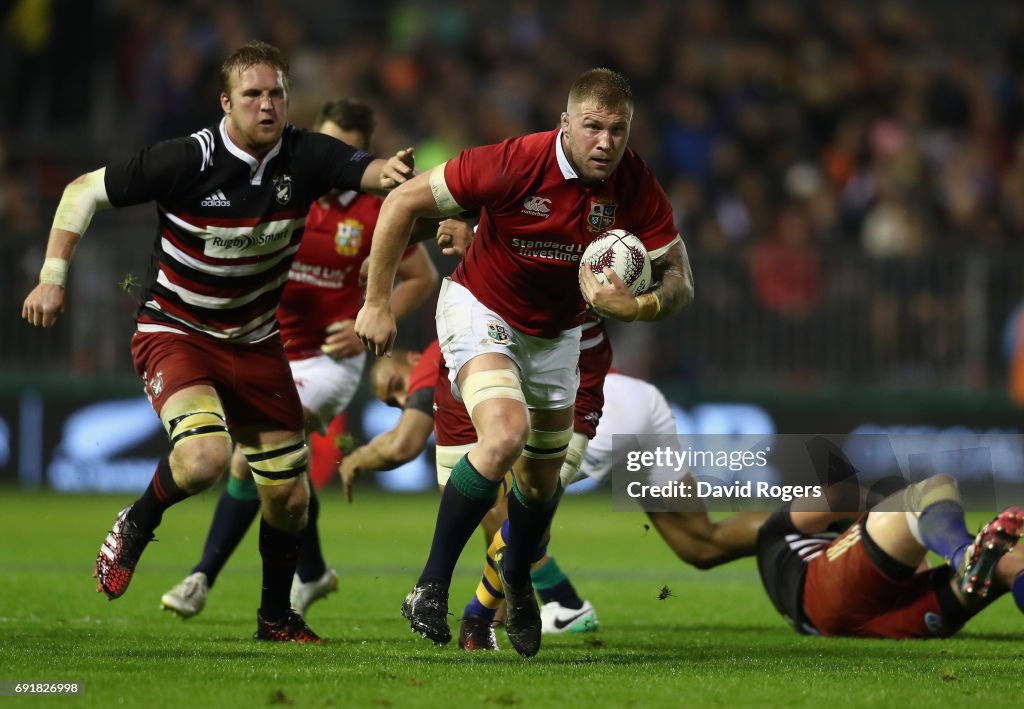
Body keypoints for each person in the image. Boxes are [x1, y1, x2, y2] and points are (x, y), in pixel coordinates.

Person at [21, 41, 414, 644]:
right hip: (176, 332)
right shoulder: (185, 160)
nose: (267, 104)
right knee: (205, 460)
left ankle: (275, 618)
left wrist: (393, 175)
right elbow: (81, 190)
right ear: (225, 103)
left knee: (288, 495)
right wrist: (52, 277)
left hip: (256, 342)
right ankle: (138, 521)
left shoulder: (306, 155)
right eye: (253, 94)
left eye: (276, 93)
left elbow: (371, 174)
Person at [355, 68, 694, 657]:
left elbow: (680, 280)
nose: (606, 143)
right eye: (593, 127)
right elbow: (404, 200)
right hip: (481, 308)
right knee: (505, 432)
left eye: (618, 130)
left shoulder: (635, 183)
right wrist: (377, 301)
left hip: (557, 336)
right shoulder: (515, 161)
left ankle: (516, 578)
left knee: (540, 482)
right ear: (566, 124)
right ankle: (430, 587)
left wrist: (636, 306)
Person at [158, 98, 438, 622]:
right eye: (327, 142)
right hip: (266, 349)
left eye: (347, 150)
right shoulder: (285, 186)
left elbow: (423, 277)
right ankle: (312, 573)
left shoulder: (378, 208)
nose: (334, 158)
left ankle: (201, 577)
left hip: (329, 363)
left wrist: (369, 318)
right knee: (280, 466)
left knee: (248, 456)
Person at [756, 474, 1024, 638]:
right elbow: (838, 496)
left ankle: (969, 558)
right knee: (930, 491)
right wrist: (905, 510)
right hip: (826, 595)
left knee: (1011, 559)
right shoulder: (774, 529)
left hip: (874, 621)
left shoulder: (777, 552)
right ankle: (962, 555)